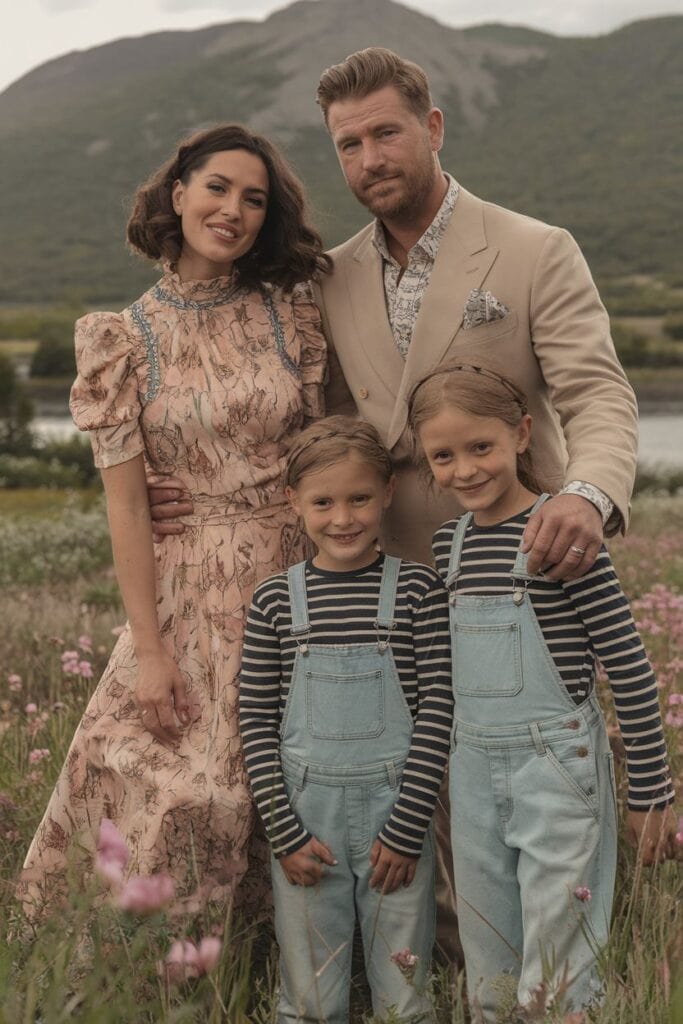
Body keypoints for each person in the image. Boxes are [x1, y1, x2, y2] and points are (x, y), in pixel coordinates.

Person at [148, 48, 639, 961]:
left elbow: (600, 396)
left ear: (432, 127)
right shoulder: (325, 277)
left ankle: (557, 985)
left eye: (385, 132)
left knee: (532, 792)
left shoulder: (535, 249)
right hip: (380, 581)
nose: (369, 156)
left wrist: (585, 494)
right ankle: (433, 976)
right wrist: (178, 477)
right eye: (348, 143)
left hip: (519, 569)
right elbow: (305, 418)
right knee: (412, 786)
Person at [19, 123, 330, 918]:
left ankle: (284, 964)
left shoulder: (291, 314)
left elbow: (331, 445)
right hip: (189, 588)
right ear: (178, 192)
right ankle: (148, 963)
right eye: (218, 187)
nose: (234, 209)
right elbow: (124, 503)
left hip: (298, 573)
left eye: (254, 199)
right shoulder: (121, 338)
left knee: (296, 776)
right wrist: (148, 648)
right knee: (182, 782)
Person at [408, 360, 676, 1022]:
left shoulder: (563, 535)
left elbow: (630, 668)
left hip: (553, 767)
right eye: (443, 456)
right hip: (470, 768)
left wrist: (649, 790)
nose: (464, 469)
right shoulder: (447, 547)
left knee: (558, 972)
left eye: (480, 447)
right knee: (489, 960)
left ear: (521, 434)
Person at [238, 416, 453, 1023]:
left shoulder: (416, 591)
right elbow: (254, 719)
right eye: (323, 502)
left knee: (404, 996)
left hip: (398, 822)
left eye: (360, 498)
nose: (343, 518)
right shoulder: (274, 600)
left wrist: (409, 826)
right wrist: (284, 833)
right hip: (307, 826)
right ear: (294, 503)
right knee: (309, 996)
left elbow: (438, 706)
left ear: (387, 492)